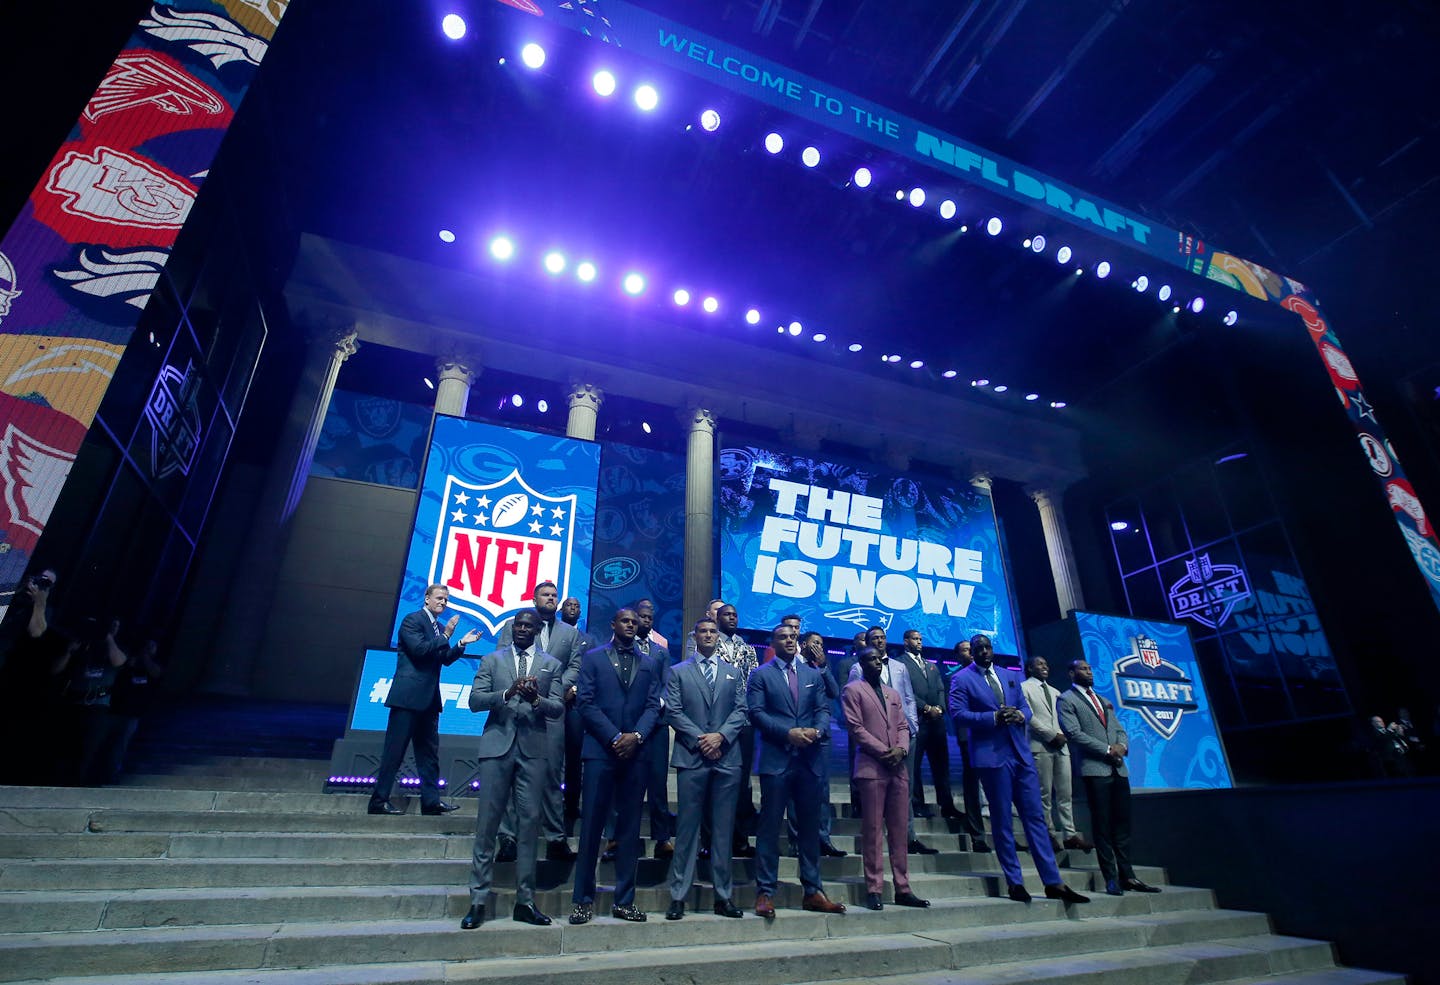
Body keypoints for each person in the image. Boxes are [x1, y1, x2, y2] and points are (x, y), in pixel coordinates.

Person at [948, 634, 1089, 905]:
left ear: (992, 650)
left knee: (1035, 819)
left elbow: (1025, 707)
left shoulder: (1009, 675)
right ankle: (1015, 882)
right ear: (972, 653)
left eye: (988, 647)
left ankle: (1053, 881)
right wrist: (993, 717)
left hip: (1021, 755)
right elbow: (957, 714)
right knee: (1002, 822)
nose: (984, 652)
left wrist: (1021, 715)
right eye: (979, 649)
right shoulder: (961, 679)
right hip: (992, 758)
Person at [460, 611, 565, 929]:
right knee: (487, 825)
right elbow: (474, 701)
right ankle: (478, 900)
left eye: (528, 626)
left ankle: (525, 901)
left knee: (529, 826)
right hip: (496, 748)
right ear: (512, 629)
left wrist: (536, 699)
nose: (522, 629)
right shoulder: (493, 660)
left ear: (537, 631)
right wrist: (507, 693)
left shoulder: (552, 665)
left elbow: (558, 708)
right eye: (517, 625)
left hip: (533, 750)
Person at [569, 608, 664, 924]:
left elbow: (654, 706)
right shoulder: (594, 658)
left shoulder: (650, 664)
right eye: (625, 620)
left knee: (630, 829)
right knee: (592, 828)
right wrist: (613, 736)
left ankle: (625, 900)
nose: (631, 625)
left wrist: (635, 736)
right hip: (600, 751)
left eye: (635, 622)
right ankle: (583, 900)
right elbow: (585, 702)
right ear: (613, 624)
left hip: (636, 754)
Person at [748, 623, 845, 917]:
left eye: (793, 637)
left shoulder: (812, 675)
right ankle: (765, 892)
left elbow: (824, 710)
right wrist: (788, 733)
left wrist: (816, 731)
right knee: (769, 828)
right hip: (777, 760)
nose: (790, 640)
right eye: (783, 637)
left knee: (809, 828)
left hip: (809, 761)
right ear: (773, 643)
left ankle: (813, 890)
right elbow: (756, 714)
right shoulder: (760, 675)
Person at [663, 617, 749, 920]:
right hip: (692, 757)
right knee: (687, 831)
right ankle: (678, 895)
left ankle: (723, 896)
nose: (709, 635)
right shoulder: (678, 672)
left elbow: (741, 710)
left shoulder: (733, 672)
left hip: (727, 758)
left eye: (713, 631)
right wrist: (702, 739)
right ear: (695, 636)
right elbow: (673, 711)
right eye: (704, 631)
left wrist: (720, 736)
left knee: (723, 833)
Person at [369, 584, 480, 816]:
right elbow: (419, 651)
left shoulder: (438, 627)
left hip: (429, 700)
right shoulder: (413, 620)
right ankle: (379, 801)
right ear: (427, 598)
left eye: (446, 600)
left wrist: (460, 643)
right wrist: (448, 635)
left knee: (429, 755)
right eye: (439, 598)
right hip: (408, 698)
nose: (443, 603)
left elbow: (443, 659)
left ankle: (431, 802)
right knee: (394, 752)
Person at [494, 581, 586, 862]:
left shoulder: (569, 633)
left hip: (552, 712)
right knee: (511, 773)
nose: (551, 598)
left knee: (551, 775)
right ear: (534, 598)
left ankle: (555, 838)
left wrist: (554, 687)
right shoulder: (515, 624)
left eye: (554, 595)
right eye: (545, 594)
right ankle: (508, 837)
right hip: (517, 709)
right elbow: (501, 659)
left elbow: (575, 665)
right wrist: (519, 686)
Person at [1057, 658, 1159, 896]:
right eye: (1083, 669)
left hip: (1118, 769)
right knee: (1102, 827)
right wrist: (1107, 750)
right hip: (1096, 769)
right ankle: (1111, 878)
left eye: (1090, 668)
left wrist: (1121, 746)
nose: (1089, 672)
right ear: (1072, 673)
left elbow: (1119, 729)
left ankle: (1129, 876)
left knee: (1122, 826)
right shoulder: (1066, 699)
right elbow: (1073, 733)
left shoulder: (1103, 700)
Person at [843, 646, 930, 911]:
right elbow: (855, 729)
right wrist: (885, 751)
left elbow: (903, 725)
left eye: (880, 660)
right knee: (872, 831)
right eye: (871, 659)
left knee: (899, 830)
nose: (877, 663)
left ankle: (903, 887)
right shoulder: (852, 690)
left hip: (898, 768)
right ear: (861, 663)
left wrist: (902, 749)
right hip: (872, 768)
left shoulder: (893, 693)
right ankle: (874, 888)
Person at [847, 626, 934, 854]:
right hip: (875, 742)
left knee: (906, 789)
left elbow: (907, 697)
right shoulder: (858, 668)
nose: (879, 641)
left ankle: (909, 837)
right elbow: (857, 704)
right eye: (874, 638)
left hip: (903, 737)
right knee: (877, 797)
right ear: (867, 642)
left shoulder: (899, 666)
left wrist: (911, 727)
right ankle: (880, 842)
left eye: (882, 637)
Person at [0, 569, 66, 784]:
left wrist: (40, 602)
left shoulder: (44, 608)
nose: (41, 584)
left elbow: (37, 631)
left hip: (13, 672)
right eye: (40, 579)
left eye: (47, 583)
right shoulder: (10, 593)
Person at [1021, 656, 1089, 852]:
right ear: (1029, 668)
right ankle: (1048, 833)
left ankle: (1070, 834)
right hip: (1040, 745)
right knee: (1044, 793)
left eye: (1046, 663)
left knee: (1065, 793)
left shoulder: (1056, 692)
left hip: (1061, 747)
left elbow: (1064, 718)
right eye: (1039, 664)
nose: (1044, 666)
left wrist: (1062, 735)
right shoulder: (1024, 688)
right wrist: (1051, 735)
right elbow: (1029, 717)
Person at [788, 631, 845, 857]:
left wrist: (822, 666)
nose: (818, 647)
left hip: (820, 736)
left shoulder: (821, 667)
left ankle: (823, 839)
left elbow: (834, 692)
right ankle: (796, 841)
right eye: (814, 643)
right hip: (797, 733)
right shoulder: (793, 664)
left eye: (822, 644)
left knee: (821, 790)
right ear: (803, 645)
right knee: (794, 790)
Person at [897, 628, 960, 821]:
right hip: (917, 721)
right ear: (906, 641)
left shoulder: (930, 665)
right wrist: (925, 708)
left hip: (937, 722)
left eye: (920, 639)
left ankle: (947, 805)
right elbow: (903, 691)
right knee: (913, 766)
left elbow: (941, 688)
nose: (919, 642)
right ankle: (917, 805)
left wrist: (940, 707)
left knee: (941, 766)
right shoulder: (900, 663)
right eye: (915, 639)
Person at [713, 602, 759, 856]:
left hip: (744, 722)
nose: (731, 618)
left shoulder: (747, 648)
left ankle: (740, 839)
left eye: (734, 614)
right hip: (715, 720)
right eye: (726, 614)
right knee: (714, 781)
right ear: (717, 618)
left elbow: (753, 682)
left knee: (742, 784)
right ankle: (711, 842)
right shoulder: (709, 641)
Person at [632, 597, 675, 858]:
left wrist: (656, 705)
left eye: (649, 617)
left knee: (657, 783)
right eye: (642, 616)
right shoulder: (622, 647)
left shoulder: (661, 652)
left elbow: (666, 683)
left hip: (657, 723)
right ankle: (620, 836)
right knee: (628, 783)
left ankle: (662, 838)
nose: (645, 620)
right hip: (630, 723)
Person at [947, 639, 989, 851]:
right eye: (966, 650)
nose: (971, 653)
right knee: (972, 786)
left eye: (971, 650)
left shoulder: (991, 676)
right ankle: (977, 835)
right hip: (969, 737)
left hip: (993, 737)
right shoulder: (954, 678)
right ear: (958, 655)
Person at [105, 638, 164, 782]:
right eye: (147, 645)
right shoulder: (125, 658)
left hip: (134, 712)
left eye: (152, 646)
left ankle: (111, 774)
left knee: (121, 744)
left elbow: (156, 673)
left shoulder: (151, 664)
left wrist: (145, 656)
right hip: (112, 708)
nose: (149, 648)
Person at [558, 595, 592, 833]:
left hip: (575, 703)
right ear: (561, 609)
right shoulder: (547, 633)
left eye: (576, 605)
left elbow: (590, 670)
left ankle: (571, 804)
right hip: (547, 700)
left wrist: (575, 689)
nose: (572, 608)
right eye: (568, 605)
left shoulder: (588, 639)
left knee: (574, 756)